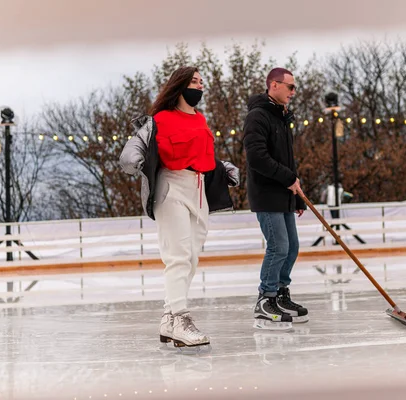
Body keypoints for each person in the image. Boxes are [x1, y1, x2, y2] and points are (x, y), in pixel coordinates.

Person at [120, 66, 239, 349]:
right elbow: (131, 152)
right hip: (170, 186)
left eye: (201, 81)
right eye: (193, 82)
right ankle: (181, 319)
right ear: (179, 86)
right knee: (178, 257)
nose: (198, 86)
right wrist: (137, 162)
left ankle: (168, 318)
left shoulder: (201, 119)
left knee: (192, 258)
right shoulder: (160, 119)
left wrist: (223, 168)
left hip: (197, 189)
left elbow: (201, 155)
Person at [243, 67, 309, 330]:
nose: (293, 92)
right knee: (278, 246)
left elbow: (287, 162)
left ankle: (281, 294)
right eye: (290, 87)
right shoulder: (257, 117)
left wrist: (298, 197)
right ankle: (265, 298)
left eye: (294, 87)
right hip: (267, 194)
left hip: (284, 194)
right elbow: (257, 157)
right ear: (274, 85)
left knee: (291, 247)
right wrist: (287, 178)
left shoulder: (281, 117)